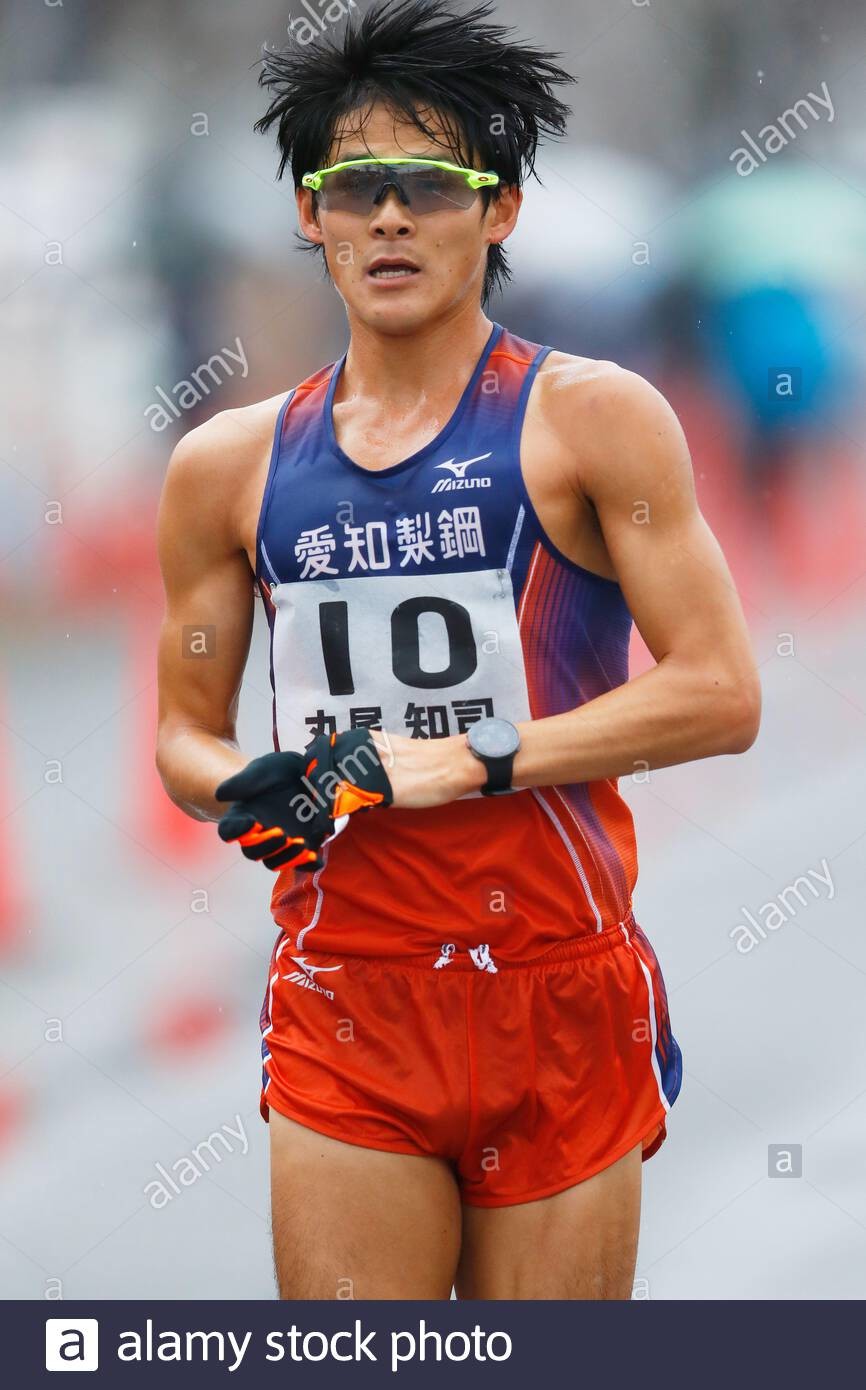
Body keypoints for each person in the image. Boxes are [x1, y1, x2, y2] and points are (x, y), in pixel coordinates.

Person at [155, 0, 760, 1300]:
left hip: (557, 986)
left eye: (430, 185)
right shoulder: (225, 466)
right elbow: (183, 735)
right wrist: (242, 784)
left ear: (499, 212)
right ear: (310, 215)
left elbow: (720, 693)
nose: (390, 218)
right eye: (354, 187)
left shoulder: (593, 420)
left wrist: (475, 758)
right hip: (349, 992)